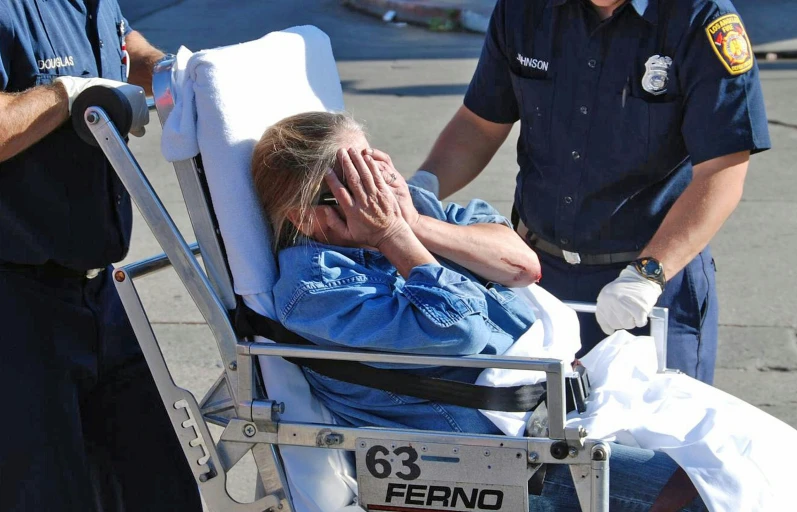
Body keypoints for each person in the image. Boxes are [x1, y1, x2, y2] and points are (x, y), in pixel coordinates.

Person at [251, 111, 706, 511]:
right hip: (490, 456)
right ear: (306, 218)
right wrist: (394, 236)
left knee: (741, 461)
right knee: (701, 495)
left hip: (560, 405)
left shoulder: (405, 209)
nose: (383, 194)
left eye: (376, 166)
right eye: (357, 189)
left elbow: (521, 265)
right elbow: (461, 329)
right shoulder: (318, 293)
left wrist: (414, 224)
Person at [415, 0, 771, 384]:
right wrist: (421, 188)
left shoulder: (701, 18)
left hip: (650, 284)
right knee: (542, 435)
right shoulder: (525, 10)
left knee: (650, 440)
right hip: (540, 278)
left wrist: (648, 274)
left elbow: (722, 173)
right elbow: (480, 125)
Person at [0, 2, 201, 511]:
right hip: (15, 303)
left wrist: (166, 70)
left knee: (162, 488)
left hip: (102, 293)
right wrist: (65, 95)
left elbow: (118, 39)